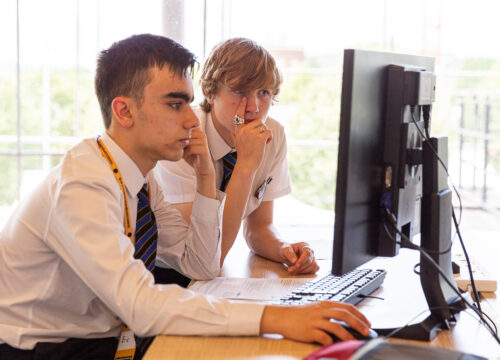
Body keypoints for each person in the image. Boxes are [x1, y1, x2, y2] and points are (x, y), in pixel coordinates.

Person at [0, 34, 370, 360]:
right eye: (176, 105)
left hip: (107, 337)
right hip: (47, 349)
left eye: (189, 104)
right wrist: (277, 317)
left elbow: (201, 266)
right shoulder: (83, 185)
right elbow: (141, 305)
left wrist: (206, 176)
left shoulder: (142, 179)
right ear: (124, 111)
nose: (193, 121)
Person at [155, 37, 319, 276]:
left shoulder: (272, 134)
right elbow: (208, 252)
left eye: (264, 92)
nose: (253, 107)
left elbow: (259, 228)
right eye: (240, 91)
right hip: (166, 271)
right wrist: (245, 167)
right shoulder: (184, 134)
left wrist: (285, 250)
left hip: (209, 274)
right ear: (210, 93)